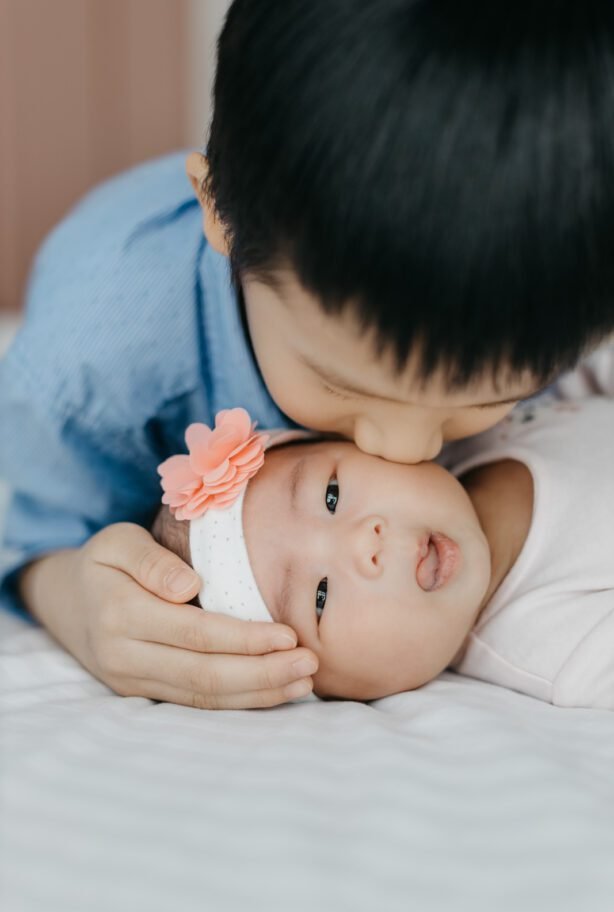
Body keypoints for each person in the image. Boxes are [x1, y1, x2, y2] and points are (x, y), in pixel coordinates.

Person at [2, 1, 614, 709]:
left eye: (484, 395)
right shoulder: (89, 364)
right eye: (342, 384)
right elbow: (38, 538)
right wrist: (76, 604)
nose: (407, 450)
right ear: (217, 211)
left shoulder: (569, 249)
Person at [153, 401, 614, 710]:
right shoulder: (566, 651)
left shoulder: (487, 424)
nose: (364, 544)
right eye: (320, 597)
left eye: (331, 496)